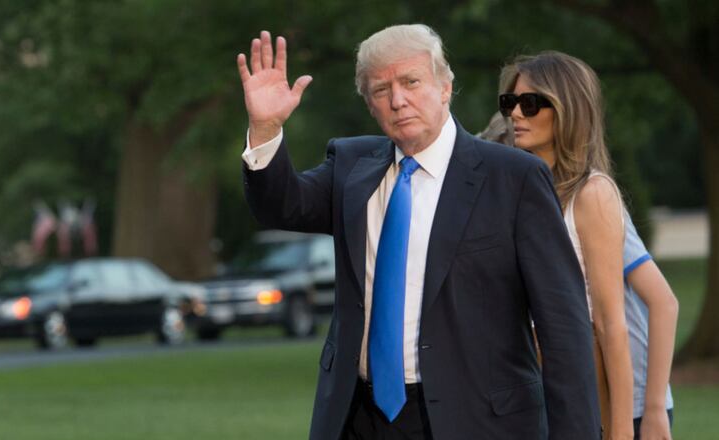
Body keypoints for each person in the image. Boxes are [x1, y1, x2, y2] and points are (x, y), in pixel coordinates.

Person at [238, 25, 600, 440]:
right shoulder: (351, 167)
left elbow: (564, 327)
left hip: (478, 421)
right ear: (370, 105)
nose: (397, 100)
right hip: (357, 419)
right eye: (380, 90)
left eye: (411, 81)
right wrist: (265, 129)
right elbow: (280, 206)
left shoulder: (513, 178)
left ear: (445, 87)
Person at [496, 51, 678, 440]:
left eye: (530, 104)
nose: (515, 114)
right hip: (519, 390)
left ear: (568, 109)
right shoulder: (512, 191)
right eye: (510, 103)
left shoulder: (593, 194)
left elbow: (612, 324)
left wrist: (622, 430)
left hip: (576, 389)